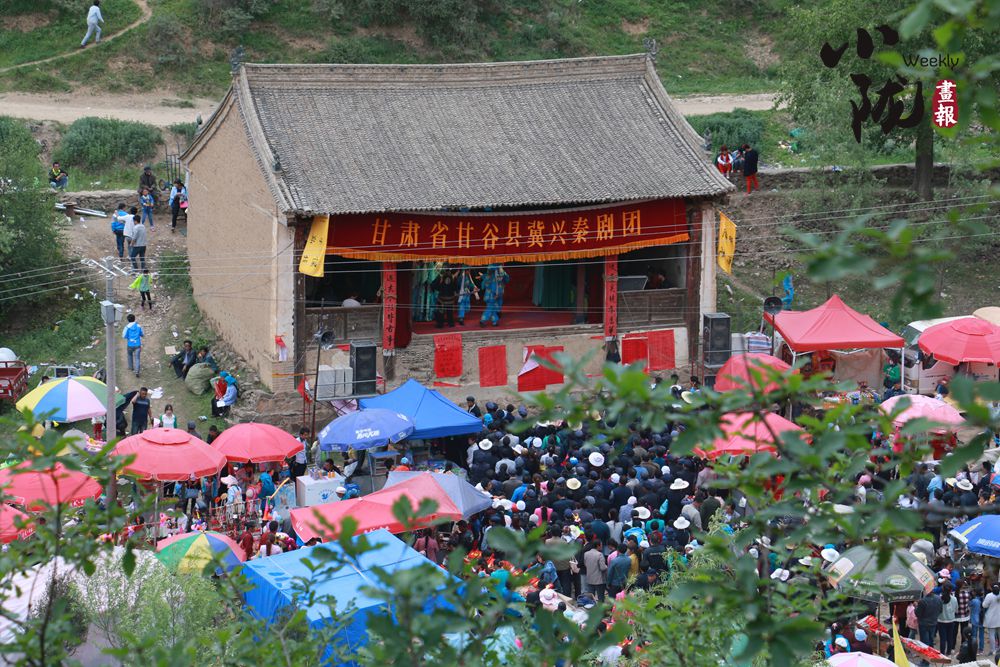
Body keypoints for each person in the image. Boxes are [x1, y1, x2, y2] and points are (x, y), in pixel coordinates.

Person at [939, 584, 957, 654]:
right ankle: (948, 652)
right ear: (951, 590)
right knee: (950, 637)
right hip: (951, 620)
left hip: (941, 620)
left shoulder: (940, 599)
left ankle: (942, 653)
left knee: (942, 638)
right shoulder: (954, 599)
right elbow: (956, 610)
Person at [982, 583, 1000, 653]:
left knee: (991, 634)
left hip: (991, 618)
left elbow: (984, 605)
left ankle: (993, 650)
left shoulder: (989, 596)